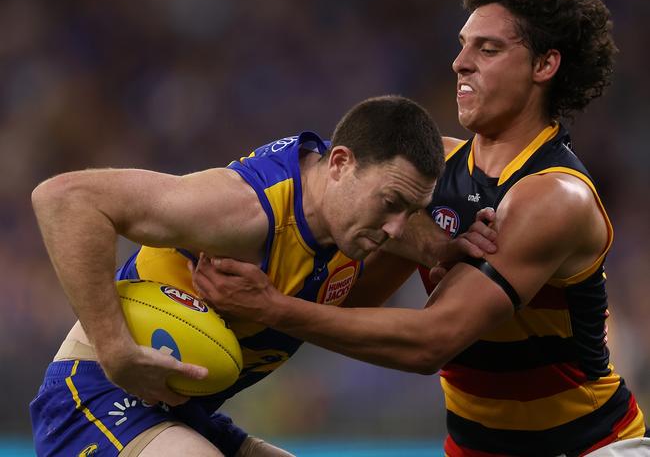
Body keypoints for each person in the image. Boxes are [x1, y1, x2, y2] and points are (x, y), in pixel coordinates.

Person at [191, 0, 649, 456]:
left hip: (588, 446)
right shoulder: (433, 174)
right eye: (462, 45)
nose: (459, 62)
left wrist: (271, 306)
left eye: (487, 49)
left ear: (545, 64)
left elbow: (433, 341)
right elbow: (348, 300)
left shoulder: (554, 195)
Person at [30, 95, 498, 457]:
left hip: (180, 414)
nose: (397, 226)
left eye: (412, 211)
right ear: (339, 164)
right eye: (392, 205)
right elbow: (65, 199)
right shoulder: (241, 211)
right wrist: (114, 349)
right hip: (97, 395)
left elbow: (431, 182)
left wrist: (435, 243)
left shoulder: (350, 221)